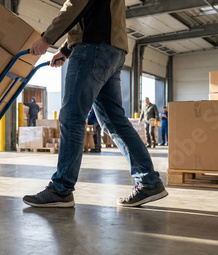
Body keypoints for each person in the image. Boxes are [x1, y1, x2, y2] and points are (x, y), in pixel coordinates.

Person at [23, 0, 167, 208]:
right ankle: (149, 181)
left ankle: (61, 189)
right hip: (113, 51)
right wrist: (66, 48)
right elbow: (92, 10)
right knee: (113, 121)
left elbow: (75, 6)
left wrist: (47, 39)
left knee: (72, 116)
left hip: (93, 49)